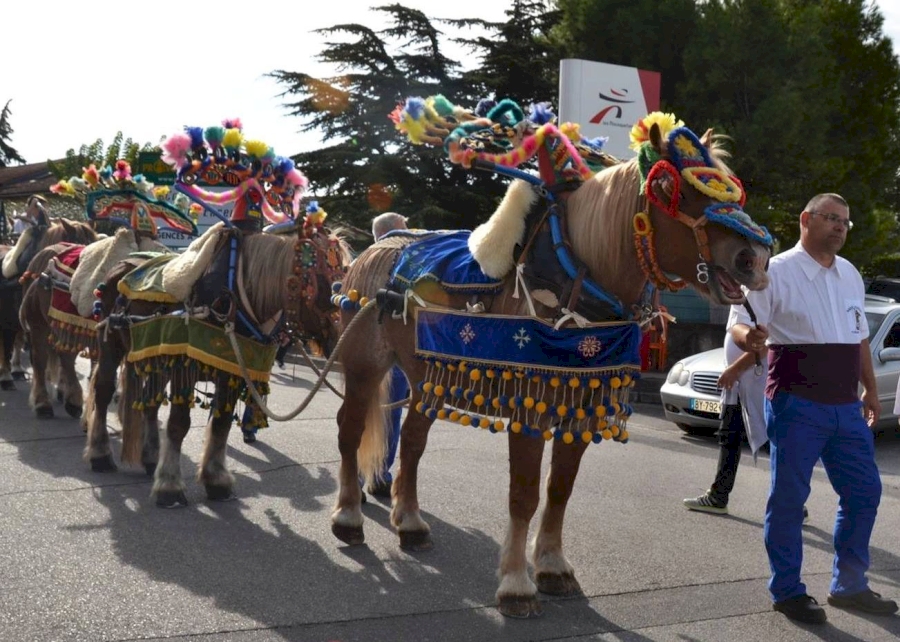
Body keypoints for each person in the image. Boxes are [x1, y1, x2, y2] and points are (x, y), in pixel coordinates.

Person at [732, 193, 897, 624]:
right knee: (789, 498)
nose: (840, 227)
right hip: (796, 401)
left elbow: (859, 336)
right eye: (831, 218)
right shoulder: (775, 272)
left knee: (864, 492)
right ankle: (787, 590)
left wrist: (871, 392)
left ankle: (849, 585)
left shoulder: (850, 274)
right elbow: (739, 322)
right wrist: (748, 338)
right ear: (805, 219)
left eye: (845, 221)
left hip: (846, 405)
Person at [682, 310, 770, 515]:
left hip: (757, 383)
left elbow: (765, 345)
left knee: (773, 443)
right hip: (739, 386)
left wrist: (735, 369)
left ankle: (794, 505)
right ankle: (718, 496)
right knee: (729, 437)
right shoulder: (741, 297)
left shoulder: (762, 295)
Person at [367, 212, 410, 497]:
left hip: (370, 350)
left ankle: (370, 476)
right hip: (386, 349)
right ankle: (376, 475)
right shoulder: (404, 260)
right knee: (387, 413)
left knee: (371, 412)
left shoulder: (365, 259)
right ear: (393, 231)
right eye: (405, 229)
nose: (410, 234)